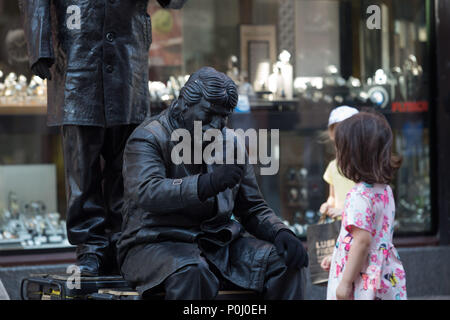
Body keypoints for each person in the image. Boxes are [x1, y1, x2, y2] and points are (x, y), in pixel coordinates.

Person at [20, 0, 187, 276]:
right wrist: (40, 45)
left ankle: (126, 243)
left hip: (126, 56)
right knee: (81, 168)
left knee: (127, 167)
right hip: (76, 58)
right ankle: (91, 248)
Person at [116, 67, 309, 300]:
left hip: (218, 244)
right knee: (192, 272)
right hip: (154, 243)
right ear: (184, 104)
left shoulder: (231, 142)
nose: (217, 125)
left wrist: (280, 232)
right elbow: (147, 191)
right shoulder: (149, 137)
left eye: (224, 116)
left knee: (286, 262)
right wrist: (206, 184)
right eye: (209, 114)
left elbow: (252, 207)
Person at [326, 111, 407, 300]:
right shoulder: (384, 190)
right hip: (383, 272)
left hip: (361, 279)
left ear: (351, 156)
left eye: (340, 151)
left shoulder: (358, 195)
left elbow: (362, 241)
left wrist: (345, 283)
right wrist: (337, 256)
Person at [319, 106, 359, 272]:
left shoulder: (361, 167)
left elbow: (365, 203)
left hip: (357, 227)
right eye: (338, 130)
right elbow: (333, 197)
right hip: (339, 231)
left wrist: (342, 212)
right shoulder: (333, 166)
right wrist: (327, 206)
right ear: (332, 134)